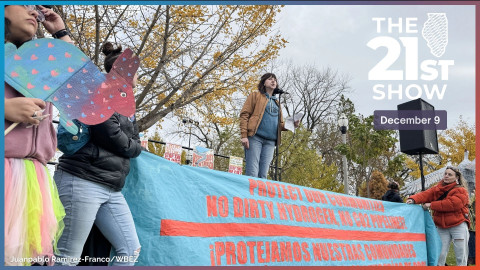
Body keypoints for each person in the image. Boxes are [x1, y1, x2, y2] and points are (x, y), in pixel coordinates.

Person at [53, 42, 142, 266]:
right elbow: (113, 138)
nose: (138, 78)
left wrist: (132, 145)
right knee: (67, 256)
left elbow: (131, 140)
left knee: (130, 251)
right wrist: (134, 147)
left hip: (111, 186)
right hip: (82, 178)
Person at [4, 5, 72, 265]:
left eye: (37, 8)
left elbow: (80, 90)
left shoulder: (41, 62)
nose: (35, 13)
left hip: (35, 178)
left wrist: (61, 32)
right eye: (24, 4)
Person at [406, 166, 470, 266]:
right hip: (441, 227)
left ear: (456, 177)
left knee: (461, 256)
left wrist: (431, 205)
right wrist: (413, 199)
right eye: (445, 174)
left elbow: (452, 204)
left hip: (458, 225)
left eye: (450, 174)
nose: (446, 176)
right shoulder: (437, 188)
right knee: (439, 254)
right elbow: (426, 194)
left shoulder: (461, 190)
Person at [239, 73, 298, 179]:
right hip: (255, 138)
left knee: (263, 175)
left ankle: (258, 196)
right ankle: (249, 195)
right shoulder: (255, 96)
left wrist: (291, 124)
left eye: (275, 79)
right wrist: (244, 135)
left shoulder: (277, 103)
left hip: (270, 142)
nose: (273, 81)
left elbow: (280, 125)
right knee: (252, 172)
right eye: (270, 79)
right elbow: (244, 115)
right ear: (263, 82)